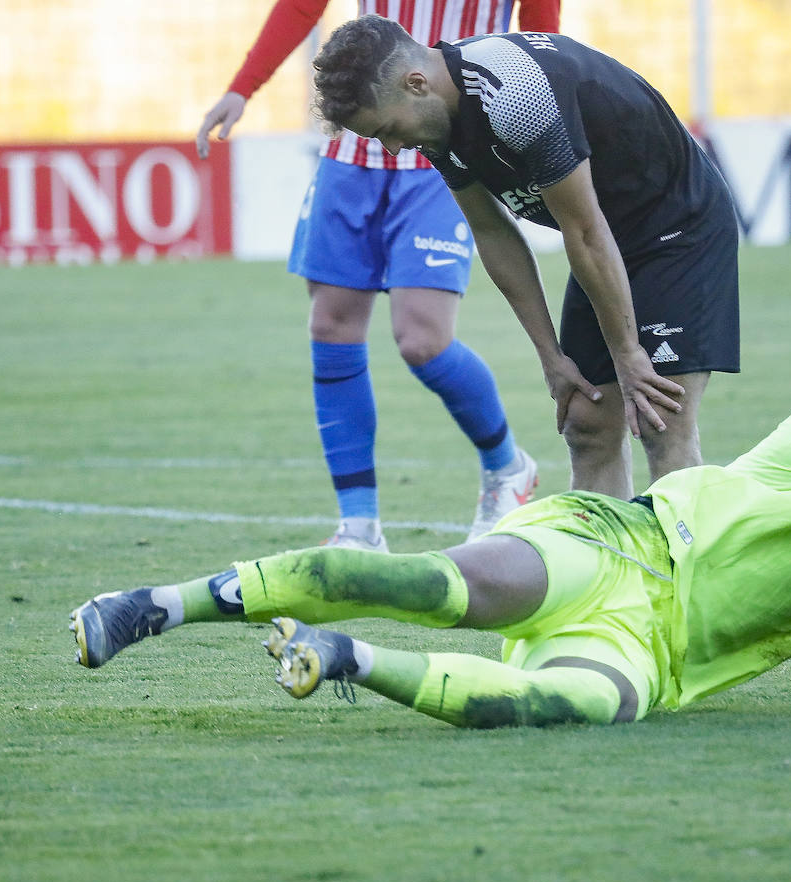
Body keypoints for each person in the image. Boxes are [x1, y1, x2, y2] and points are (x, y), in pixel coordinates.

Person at [70, 304, 791, 728]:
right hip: (624, 549)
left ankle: (345, 662)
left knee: (562, 709)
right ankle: (150, 606)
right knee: (434, 587)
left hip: (652, 655)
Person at [308, 15, 742, 500]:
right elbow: (492, 232)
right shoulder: (434, 119)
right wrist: (551, 358)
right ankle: (606, 571)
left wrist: (628, 353)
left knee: (659, 417)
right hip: (606, 238)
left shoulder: (514, 91)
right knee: (586, 421)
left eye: (388, 129)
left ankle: (681, 571)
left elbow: (583, 229)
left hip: (677, 228)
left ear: (416, 83)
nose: (392, 147)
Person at [195, 1, 562, 546]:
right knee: (331, 326)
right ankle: (359, 525)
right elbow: (301, 6)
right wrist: (242, 87)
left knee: (422, 340)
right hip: (356, 147)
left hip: (444, 147)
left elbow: (538, 34)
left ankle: (507, 465)